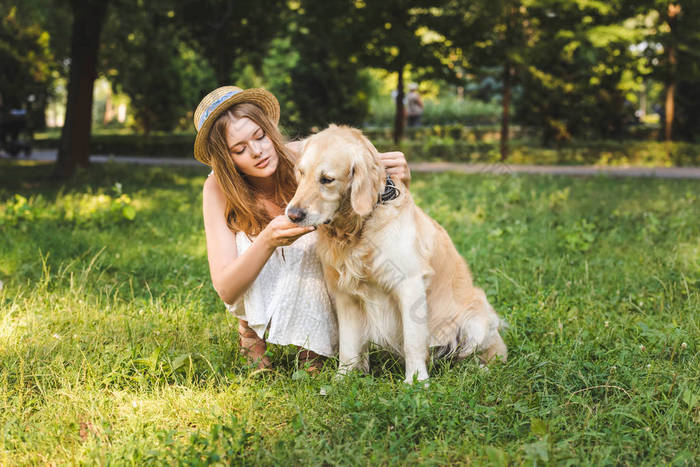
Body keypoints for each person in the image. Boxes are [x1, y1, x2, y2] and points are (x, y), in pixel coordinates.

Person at [193, 86, 411, 370]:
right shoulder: (217, 188)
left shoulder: (309, 157)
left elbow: (368, 193)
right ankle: (250, 330)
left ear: (270, 130)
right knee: (252, 244)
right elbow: (226, 289)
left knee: (316, 241)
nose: (257, 152)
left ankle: (312, 346)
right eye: (240, 149)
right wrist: (267, 240)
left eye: (260, 137)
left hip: (327, 281)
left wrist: (397, 182)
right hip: (256, 283)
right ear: (225, 159)